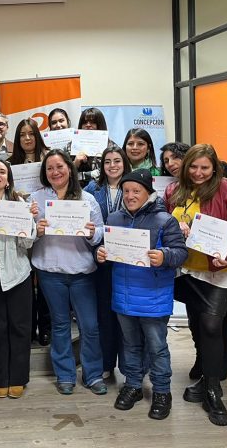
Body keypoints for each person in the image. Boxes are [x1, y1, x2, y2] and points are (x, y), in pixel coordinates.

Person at [163, 143, 227, 427]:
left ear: (214, 168)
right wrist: (175, 230)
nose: (198, 173)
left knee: (211, 324)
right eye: (193, 167)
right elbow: (163, 226)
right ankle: (206, 374)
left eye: (205, 168)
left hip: (220, 270)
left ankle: (213, 390)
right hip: (187, 271)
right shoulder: (173, 191)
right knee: (199, 324)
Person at [96, 169, 187, 420]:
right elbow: (107, 249)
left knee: (157, 347)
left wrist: (165, 256)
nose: (130, 195)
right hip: (123, 295)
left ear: (148, 192)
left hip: (153, 296)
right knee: (130, 345)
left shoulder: (164, 220)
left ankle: (162, 392)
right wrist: (102, 253)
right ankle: (133, 385)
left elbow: (180, 253)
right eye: (126, 191)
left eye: (136, 191)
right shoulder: (114, 219)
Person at [30, 149, 106, 396]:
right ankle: (65, 375)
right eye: (50, 168)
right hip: (50, 272)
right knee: (60, 325)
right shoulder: (35, 199)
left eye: (60, 166)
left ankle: (93, 374)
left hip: (81, 271)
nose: (55, 172)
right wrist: (36, 230)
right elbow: (25, 237)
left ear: (69, 169)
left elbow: (100, 235)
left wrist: (91, 232)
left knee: (90, 326)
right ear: (45, 173)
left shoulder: (87, 199)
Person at [0, 159, 36, 399]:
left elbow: (28, 243)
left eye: (2, 171)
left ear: (9, 179)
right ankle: (0, 376)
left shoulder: (19, 204)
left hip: (18, 274)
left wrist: (26, 223)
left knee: (20, 327)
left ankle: (18, 377)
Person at [84, 145, 132, 381]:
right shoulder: (93, 188)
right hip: (101, 259)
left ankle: (129, 366)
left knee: (126, 316)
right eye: (107, 162)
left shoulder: (133, 187)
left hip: (128, 260)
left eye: (117, 161)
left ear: (124, 163)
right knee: (104, 314)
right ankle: (106, 364)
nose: (112, 166)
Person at [7, 118, 50, 346]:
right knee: (25, 277)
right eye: (22, 134)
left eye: (31, 134)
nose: (26, 138)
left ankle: (44, 326)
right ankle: (28, 326)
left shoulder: (48, 159)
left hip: (45, 221)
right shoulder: (10, 163)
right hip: (21, 225)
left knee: (42, 278)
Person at [75, 107, 116, 184]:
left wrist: (81, 175)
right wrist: (75, 164)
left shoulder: (111, 147)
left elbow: (114, 170)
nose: (88, 125)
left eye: (92, 122)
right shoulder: (70, 146)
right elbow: (64, 172)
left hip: (103, 188)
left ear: (100, 124)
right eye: (85, 122)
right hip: (76, 190)